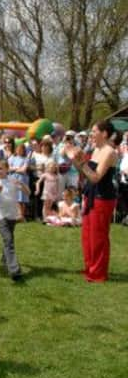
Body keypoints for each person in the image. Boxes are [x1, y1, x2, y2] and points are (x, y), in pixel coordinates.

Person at [67, 120, 118, 282]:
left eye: (94, 131)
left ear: (104, 133)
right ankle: (90, 267)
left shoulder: (109, 152)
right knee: (87, 236)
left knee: (98, 237)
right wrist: (73, 158)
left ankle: (98, 273)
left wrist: (81, 162)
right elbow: (84, 171)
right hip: (90, 195)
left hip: (102, 198)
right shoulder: (96, 149)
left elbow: (95, 177)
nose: (91, 135)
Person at [0, 160, 29, 281]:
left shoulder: (12, 180)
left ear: (7, 169)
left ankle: (5, 259)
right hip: (0, 215)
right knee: (8, 240)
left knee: (8, 240)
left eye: (1, 168)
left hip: (12, 215)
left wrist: (22, 185)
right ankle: (15, 270)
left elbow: (28, 193)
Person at [8, 142, 30, 220]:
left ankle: (21, 215)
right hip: (13, 179)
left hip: (22, 179)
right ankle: (15, 214)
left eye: (21, 149)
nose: (19, 150)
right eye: (18, 149)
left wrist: (14, 169)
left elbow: (24, 170)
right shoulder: (12, 158)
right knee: (14, 197)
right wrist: (17, 169)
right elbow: (8, 168)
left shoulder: (26, 159)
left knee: (21, 198)